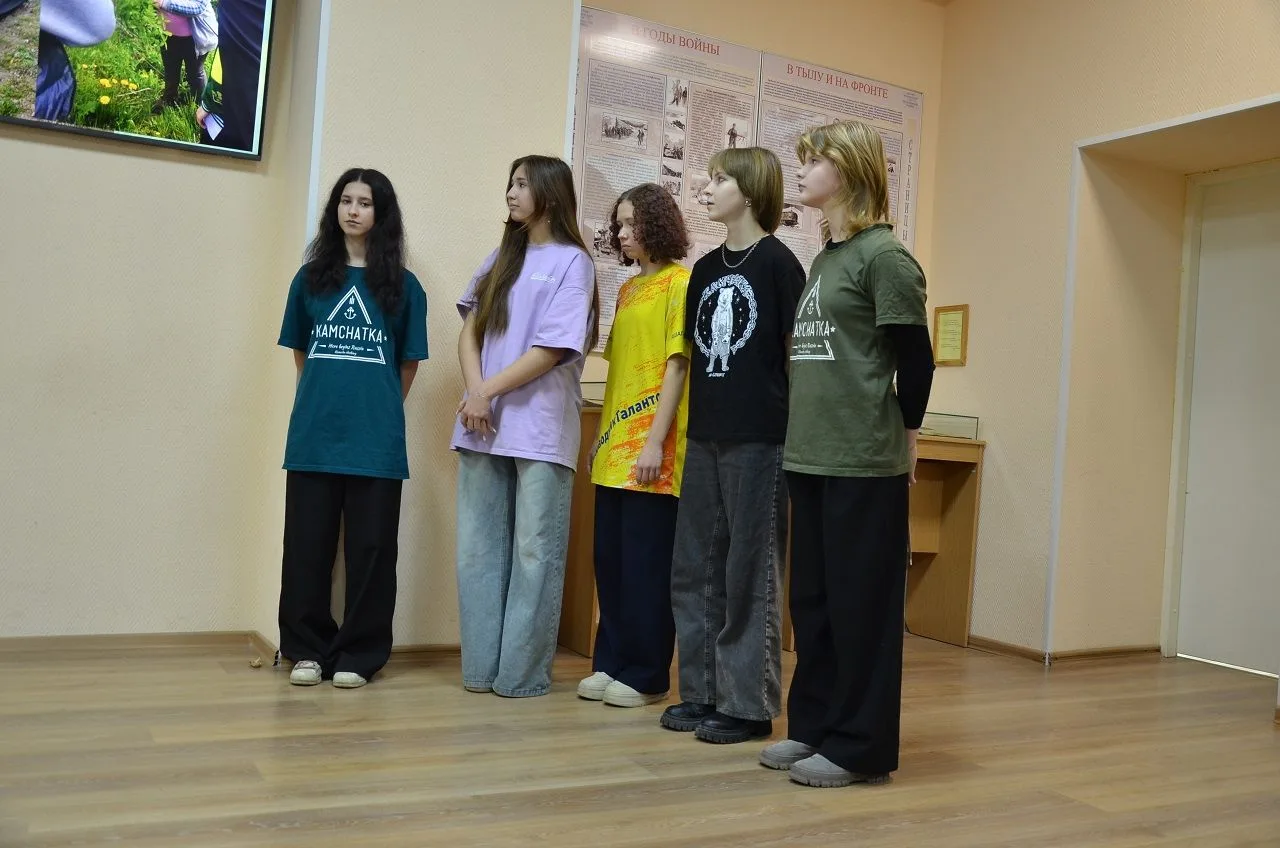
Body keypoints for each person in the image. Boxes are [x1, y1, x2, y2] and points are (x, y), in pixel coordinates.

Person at [758, 120, 934, 787]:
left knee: (862, 610)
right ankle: (815, 726)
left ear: (850, 170)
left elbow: (916, 359)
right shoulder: (827, 258)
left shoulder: (884, 257)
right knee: (816, 606)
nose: (800, 171)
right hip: (811, 456)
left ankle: (860, 748)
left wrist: (907, 435)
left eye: (813, 161)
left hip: (863, 461)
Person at [662, 147, 805, 743]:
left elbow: (796, 358)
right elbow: (694, 356)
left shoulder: (780, 265)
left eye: (720, 179)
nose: (707, 187)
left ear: (748, 190)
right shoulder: (703, 270)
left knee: (750, 570)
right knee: (694, 566)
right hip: (705, 435)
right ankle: (701, 691)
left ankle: (748, 705)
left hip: (760, 439)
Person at [451, 155, 599, 698]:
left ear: (550, 195)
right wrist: (475, 392)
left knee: (535, 554)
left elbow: (552, 349)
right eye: (509, 183)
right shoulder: (501, 258)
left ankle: (520, 677)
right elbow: (469, 332)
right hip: (481, 422)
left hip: (538, 429)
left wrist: (486, 391)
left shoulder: (574, 263)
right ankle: (481, 671)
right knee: (477, 551)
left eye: (521, 184)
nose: (510, 193)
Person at [276, 168, 428, 689]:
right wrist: (328, 400)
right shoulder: (309, 280)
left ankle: (359, 655)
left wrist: (376, 408)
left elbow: (407, 364)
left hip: (376, 441)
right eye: (346, 200)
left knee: (372, 552)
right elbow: (302, 353)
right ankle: (305, 650)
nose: (353, 210)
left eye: (365, 202)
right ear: (334, 210)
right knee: (306, 549)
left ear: (381, 215)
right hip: (314, 436)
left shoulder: (405, 288)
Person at [578, 183, 691, 708]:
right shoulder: (627, 290)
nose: (621, 234)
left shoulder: (680, 284)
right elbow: (620, 370)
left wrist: (653, 442)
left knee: (647, 566)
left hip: (653, 453)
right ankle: (611, 661)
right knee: (612, 561)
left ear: (657, 225)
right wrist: (602, 437)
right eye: (618, 224)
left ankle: (647, 674)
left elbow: (677, 366)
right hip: (614, 447)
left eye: (631, 224)